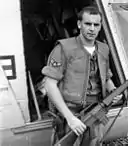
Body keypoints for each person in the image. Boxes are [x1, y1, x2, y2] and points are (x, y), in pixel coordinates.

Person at [41, 6, 122, 146]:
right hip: (71, 112)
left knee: (95, 142)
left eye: (96, 25)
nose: (92, 29)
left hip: (96, 110)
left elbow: (106, 77)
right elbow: (50, 84)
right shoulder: (63, 48)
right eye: (87, 24)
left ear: (100, 26)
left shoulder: (104, 49)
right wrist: (70, 118)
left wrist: (113, 91)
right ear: (79, 24)